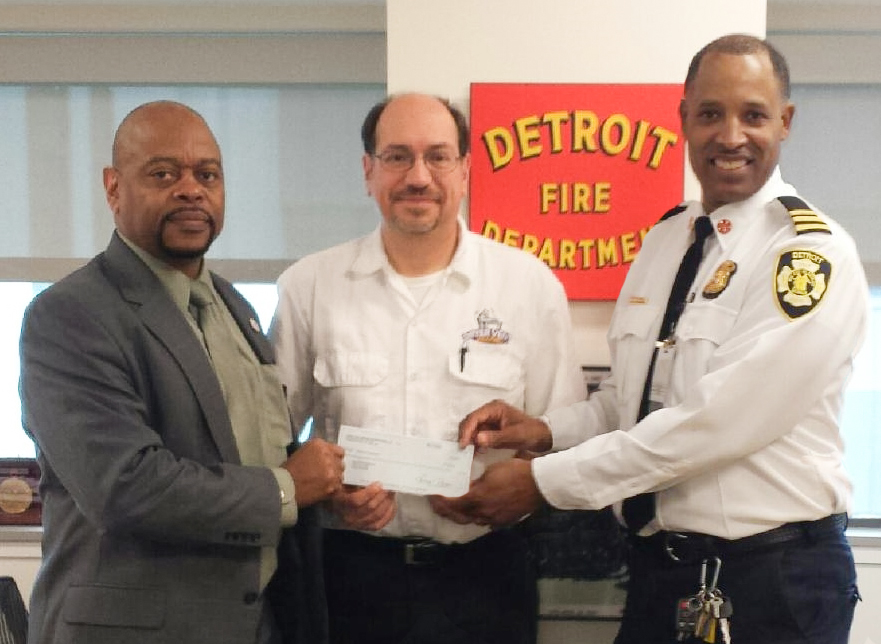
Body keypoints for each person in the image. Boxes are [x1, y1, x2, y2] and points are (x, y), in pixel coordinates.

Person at [447, 34, 868, 644]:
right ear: (683, 121)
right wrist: (540, 431)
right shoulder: (667, 241)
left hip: (771, 580)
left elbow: (713, 424)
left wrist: (542, 483)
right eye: (709, 114)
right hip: (662, 573)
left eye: (753, 115)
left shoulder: (807, 256)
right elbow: (631, 402)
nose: (730, 136)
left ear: (786, 122)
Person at [19, 100, 345, 644]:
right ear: (113, 187)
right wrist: (289, 487)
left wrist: (325, 489)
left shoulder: (232, 304)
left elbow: (253, 450)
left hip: (256, 622)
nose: (191, 189)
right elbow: (125, 486)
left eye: (207, 174)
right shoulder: (70, 314)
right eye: (164, 173)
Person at [269, 92, 584, 644]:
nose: (418, 176)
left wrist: (524, 487)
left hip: (486, 577)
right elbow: (273, 438)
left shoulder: (528, 285)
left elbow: (567, 435)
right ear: (368, 171)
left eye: (438, 156)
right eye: (396, 157)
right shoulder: (309, 286)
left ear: (465, 170)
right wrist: (326, 490)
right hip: (349, 579)